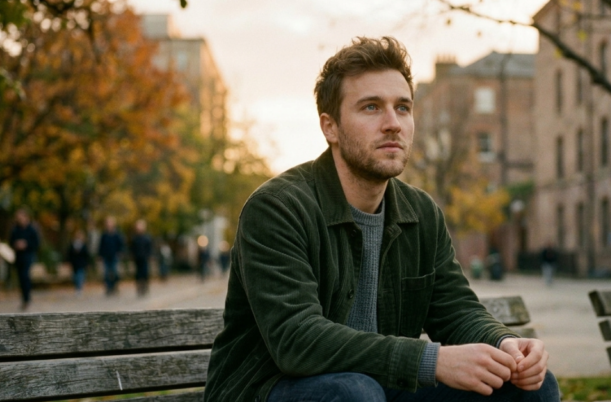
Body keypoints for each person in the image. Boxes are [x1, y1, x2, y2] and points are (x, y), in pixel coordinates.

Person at [204, 37, 557, 402]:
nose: (393, 124)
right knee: (353, 393)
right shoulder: (278, 209)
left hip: (378, 385)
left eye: (402, 108)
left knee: (532, 386)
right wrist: (430, 359)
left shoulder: (420, 213)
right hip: (268, 387)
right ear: (331, 127)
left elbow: (456, 309)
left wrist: (508, 344)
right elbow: (297, 340)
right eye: (371, 107)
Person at [9, 208, 40, 310]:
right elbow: (11, 241)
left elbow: (37, 243)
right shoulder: (15, 229)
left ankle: (27, 298)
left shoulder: (32, 229)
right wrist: (16, 244)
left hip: (28, 255)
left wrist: (26, 244)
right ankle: (24, 298)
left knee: (25, 276)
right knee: (21, 278)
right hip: (19, 257)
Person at [98, 216, 124, 295]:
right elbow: (101, 246)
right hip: (106, 256)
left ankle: (114, 285)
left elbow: (121, 245)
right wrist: (100, 255)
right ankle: (108, 287)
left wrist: (120, 252)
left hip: (114, 256)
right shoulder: (104, 235)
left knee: (115, 272)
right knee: (106, 273)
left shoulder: (117, 234)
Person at [129, 219, 153, 296]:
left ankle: (145, 286)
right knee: (138, 274)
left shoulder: (147, 238)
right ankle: (139, 287)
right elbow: (132, 248)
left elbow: (149, 248)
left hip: (144, 258)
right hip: (137, 259)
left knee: (145, 273)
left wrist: (149, 256)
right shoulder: (134, 238)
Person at [66, 229, 90, 296]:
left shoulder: (84, 245)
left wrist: (87, 263)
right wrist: (68, 261)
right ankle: (77, 287)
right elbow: (69, 254)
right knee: (75, 277)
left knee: (80, 275)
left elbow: (86, 255)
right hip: (74, 263)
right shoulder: (72, 244)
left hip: (81, 263)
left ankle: (79, 288)